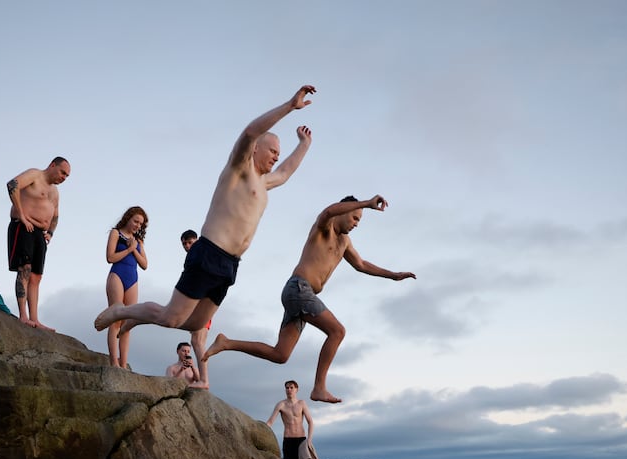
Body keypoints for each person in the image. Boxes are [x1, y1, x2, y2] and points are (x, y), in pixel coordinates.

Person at [94, 85, 316, 338]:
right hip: (209, 252)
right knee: (170, 317)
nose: (277, 157)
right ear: (256, 148)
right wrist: (290, 106)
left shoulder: (264, 183)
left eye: (279, 153)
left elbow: (285, 173)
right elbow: (250, 132)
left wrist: (304, 144)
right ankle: (123, 311)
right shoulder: (238, 169)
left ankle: (137, 316)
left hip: (231, 264)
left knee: (195, 324)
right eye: (273, 151)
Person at [206, 195, 416, 403]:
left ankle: (226, 343)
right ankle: (319, 388)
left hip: (300, 295)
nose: (356, 224)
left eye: (359, 220)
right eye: (355, 218)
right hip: (299, 289)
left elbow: (361, 264)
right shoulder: (325, 228)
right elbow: (327, 212)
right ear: (343, 211)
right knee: (337, 331)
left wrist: (394, 275)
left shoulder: (344, 242)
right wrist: (367, 204)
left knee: (281, 355)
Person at [6, 157, 70, 329]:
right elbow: (12, 184)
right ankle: (23, 316)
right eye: (62, 172)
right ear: (52, 165)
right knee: (24, 268)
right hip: (24, 226)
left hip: (40, 235)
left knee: (36, 275)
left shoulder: (55, 192)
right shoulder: (35, 175)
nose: (64, 177)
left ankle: (35, 318)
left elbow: (55, 215)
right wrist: (21, 214)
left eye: (67, 176)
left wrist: (50, 233)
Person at [105, 206, 149, 368]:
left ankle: (124, 364)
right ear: (128, 218)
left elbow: (144, 264)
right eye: (136, 221)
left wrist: (135, 249)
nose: (138, 225)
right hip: (117, 275)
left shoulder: (139, 241)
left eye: (141, 224)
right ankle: (114, 362)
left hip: (133, 278)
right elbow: (110, 257)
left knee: (127, 323)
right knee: (115, 319)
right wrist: (129, 249)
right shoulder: (116, 233)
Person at [266, 380, 314, 459]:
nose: (289, 390)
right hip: (288, 441)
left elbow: (310, 422)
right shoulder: (281, 404)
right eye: (287, 388)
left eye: (291, 387)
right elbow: (270, 421)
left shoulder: (301, 403)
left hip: (301, 441)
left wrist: (309, 440)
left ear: (296, 389)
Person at [180, 229, 211, 388]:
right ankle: (203, 379)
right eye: (184, 243)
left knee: (197, 341)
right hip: (202, 302)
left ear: (196, 241)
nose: (187, 246)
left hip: (203, 302)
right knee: (198, 342)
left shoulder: (201, 255)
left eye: (190, 242)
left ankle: (204, 380)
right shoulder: (195, 257)